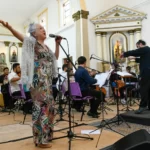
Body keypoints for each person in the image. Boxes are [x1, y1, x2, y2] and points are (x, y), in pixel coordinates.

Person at [0, 20, 61, 148]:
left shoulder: (46, 46)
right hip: (38, 81)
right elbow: (21, 37)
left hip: (47, 81)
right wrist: (10, 27)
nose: (44, 30)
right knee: (41, 109)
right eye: (40, 28)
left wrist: (57, 44)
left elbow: (54, 58)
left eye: (44, 28)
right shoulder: (33, 43)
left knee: (50, 108)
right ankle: (40, 139)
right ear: (34, 33)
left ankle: (48, 135)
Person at [121, 39, 150, 114]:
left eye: (138, 46)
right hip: (148, 72)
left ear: (140, 44)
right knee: (148, 89)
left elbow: (135, 52)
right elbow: (143, 60)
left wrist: (125, 54)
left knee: (143, 89)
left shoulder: (145, 49)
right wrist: (134, 59)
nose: (138, 48)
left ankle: (143, 106)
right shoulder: (147, 51)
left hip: (146, 73)